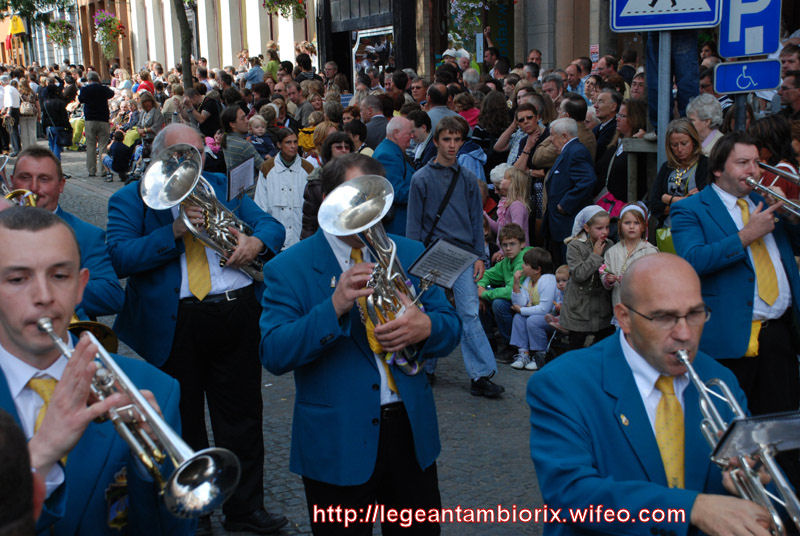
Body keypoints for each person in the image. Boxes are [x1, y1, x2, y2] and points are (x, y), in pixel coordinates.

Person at [260, 152, 460, 535]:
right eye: (352, 198)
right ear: (326, 200)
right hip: (336, 439)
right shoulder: (288, 267)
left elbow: (451, 330)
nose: (364, 211)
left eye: (370, 199)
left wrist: (427, 327)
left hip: (409, 434)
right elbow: (273, 352)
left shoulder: (410, 252)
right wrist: (333, 307)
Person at [106, 124, 288, 534]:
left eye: (196, 153)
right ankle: (196, 512)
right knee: (183, 421)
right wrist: (175, 229)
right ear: (158, 161)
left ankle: (245, 510)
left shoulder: (223, 185)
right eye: (179, 155)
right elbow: (119, 257)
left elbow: (271, 226)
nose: (191, 162)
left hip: (235, 312)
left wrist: (255, 244)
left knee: (242, 418)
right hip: (176, 322)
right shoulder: (130, 199)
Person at [529, 253, 772, 536]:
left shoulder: (720, 380)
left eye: (694, 314)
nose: (685, 334)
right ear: (624, 318)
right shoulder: (562, 383)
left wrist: (752, 481)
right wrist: (690, 508)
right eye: (664, 317)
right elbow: (571, 493)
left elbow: (757, 492)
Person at [0, 206, 194, 535]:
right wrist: (42, 453)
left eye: (59, 276)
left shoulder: (154, 388)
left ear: (81, 286)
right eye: (18, 279)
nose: (44, 297)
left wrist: (151, 469)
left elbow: (173, 529)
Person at [671, 131, 800, 487]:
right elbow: (692, 260)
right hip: (728, 339)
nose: (754, 170)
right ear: (718, 170)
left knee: (784, 435)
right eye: (743, 163)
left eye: (757, 162)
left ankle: (786, 511)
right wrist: (746, 235)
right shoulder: (690, 208)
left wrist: (792, 218)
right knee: (730, 435)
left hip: (778, 336)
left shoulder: (766, 201)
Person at [407, 116, 505, 398]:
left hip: (463, 254)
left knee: (470, 313)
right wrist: (416, 261)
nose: (452, 145)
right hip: (431, 254)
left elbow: (477, 221)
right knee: (433, 311)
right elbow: (414, 224)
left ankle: (482, 374)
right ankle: (427, 367)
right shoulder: (421, 178)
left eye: (457, 140)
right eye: (447, 139)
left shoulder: (468, 181)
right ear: (436, 141)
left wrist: (479, 256)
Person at [10, 147, 123, 320]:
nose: (33, 188)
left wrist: (55, 284)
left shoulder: (87, 235)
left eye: (44, 179)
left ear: (61, 185)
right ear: (12, 182)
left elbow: (111, 296)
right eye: (25, 178)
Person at [543, 118, 597, 266]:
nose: (550, 140)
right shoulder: (569, 151)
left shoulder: (576, 151)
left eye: (553, 135)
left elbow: (587, 180)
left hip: (567, 223)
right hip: (559, 224)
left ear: (565, 136)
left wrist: (565, 204)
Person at [560, 206, 614, 351]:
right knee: (576, 346)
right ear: (587, 228)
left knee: (601, 346)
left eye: (607, 227)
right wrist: (595, 255)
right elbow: (578, 275)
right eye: (599, 228)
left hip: (601, 307)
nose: (605, 232)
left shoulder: (609, 245)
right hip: (579, 307)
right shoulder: (575, 246)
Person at [477, 224, 532, 354]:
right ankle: (489, 341)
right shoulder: (506, 261)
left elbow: (510, 292)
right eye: (504, 245)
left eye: (512, 244)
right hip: (517, 300)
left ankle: (512, 346)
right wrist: (481, 288)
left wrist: (485, 294)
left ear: (522, 244)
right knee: (480, 298)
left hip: (529, 302)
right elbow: (487, 274)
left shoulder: (524, 259)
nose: (508, 248)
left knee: (499, 304)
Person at [255, 128, 313, 249]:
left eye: (295, 142)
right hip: (275, 238)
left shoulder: (308, 169)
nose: (293, 146)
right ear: (279, 145)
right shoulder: (267, 168)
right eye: (288, 142)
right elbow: (261, 205)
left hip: (300, 238)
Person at [647, 119, 709, 229]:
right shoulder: (667, 167)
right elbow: (654, 205)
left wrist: (667, 199)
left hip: (696, 230)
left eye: (684, 143)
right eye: (674, 145)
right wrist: (682, 201)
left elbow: (703, 203)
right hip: (668, 232)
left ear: (694, 141)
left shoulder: (705, 165)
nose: (679, 149)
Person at [508, 247, 557, 370]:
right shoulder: (529, 280)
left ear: (537, 269)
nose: (523, 266)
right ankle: (523, 354)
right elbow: (520, 303)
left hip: (552, 317)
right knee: (519, 318)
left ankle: (539, 355)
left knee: (532, 320)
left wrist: (522, 310)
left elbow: (544, 309)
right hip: (535, 313)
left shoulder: (548, 280)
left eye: (526, 264)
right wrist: (516, 283)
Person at [602, 203, 658, 309]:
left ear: (643, 227)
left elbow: (655, 279)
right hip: (620, 304)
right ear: (620, 225)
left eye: (636, 223)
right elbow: (605, 271)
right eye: (627, 223)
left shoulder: (650, 251)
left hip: (643, 308)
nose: (631, 227)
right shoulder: (612, 252)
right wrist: (607, 279)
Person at [373, 116, 415, 236]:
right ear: (396, 133)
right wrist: (423, 189)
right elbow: (395, 191)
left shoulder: (391, 150)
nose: (412, 136)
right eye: (409, 133)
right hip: (397, 226)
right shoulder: (387, 155)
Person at [78, 71, 115, 178]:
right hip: (103, 119)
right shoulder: (103, 88)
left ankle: (91, 170)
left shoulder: (85, 89)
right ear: (97, 79)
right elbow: (111, 94)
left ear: (89, 79)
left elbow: (80, 99)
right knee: (103, 145)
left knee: (90, 146)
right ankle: (103, 170)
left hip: (90, 120)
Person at [485, 167, 530, 251]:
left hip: (516, 254)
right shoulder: (508, 204)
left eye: (505, 178)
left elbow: (516, 233)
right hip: (507, 251)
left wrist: (502, 252)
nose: (502, 180)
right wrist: (483, 215)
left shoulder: (516, 205)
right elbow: (499, 228)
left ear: (513, 184)